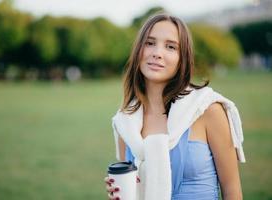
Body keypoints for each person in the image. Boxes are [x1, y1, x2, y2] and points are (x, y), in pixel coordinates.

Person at [104, 13, 245, 200]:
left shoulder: (207, 110)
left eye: (170, 47)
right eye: (150, 43)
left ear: (182, 58)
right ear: (139, 50)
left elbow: (232, 191)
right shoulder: (125, 122)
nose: (157, 53)